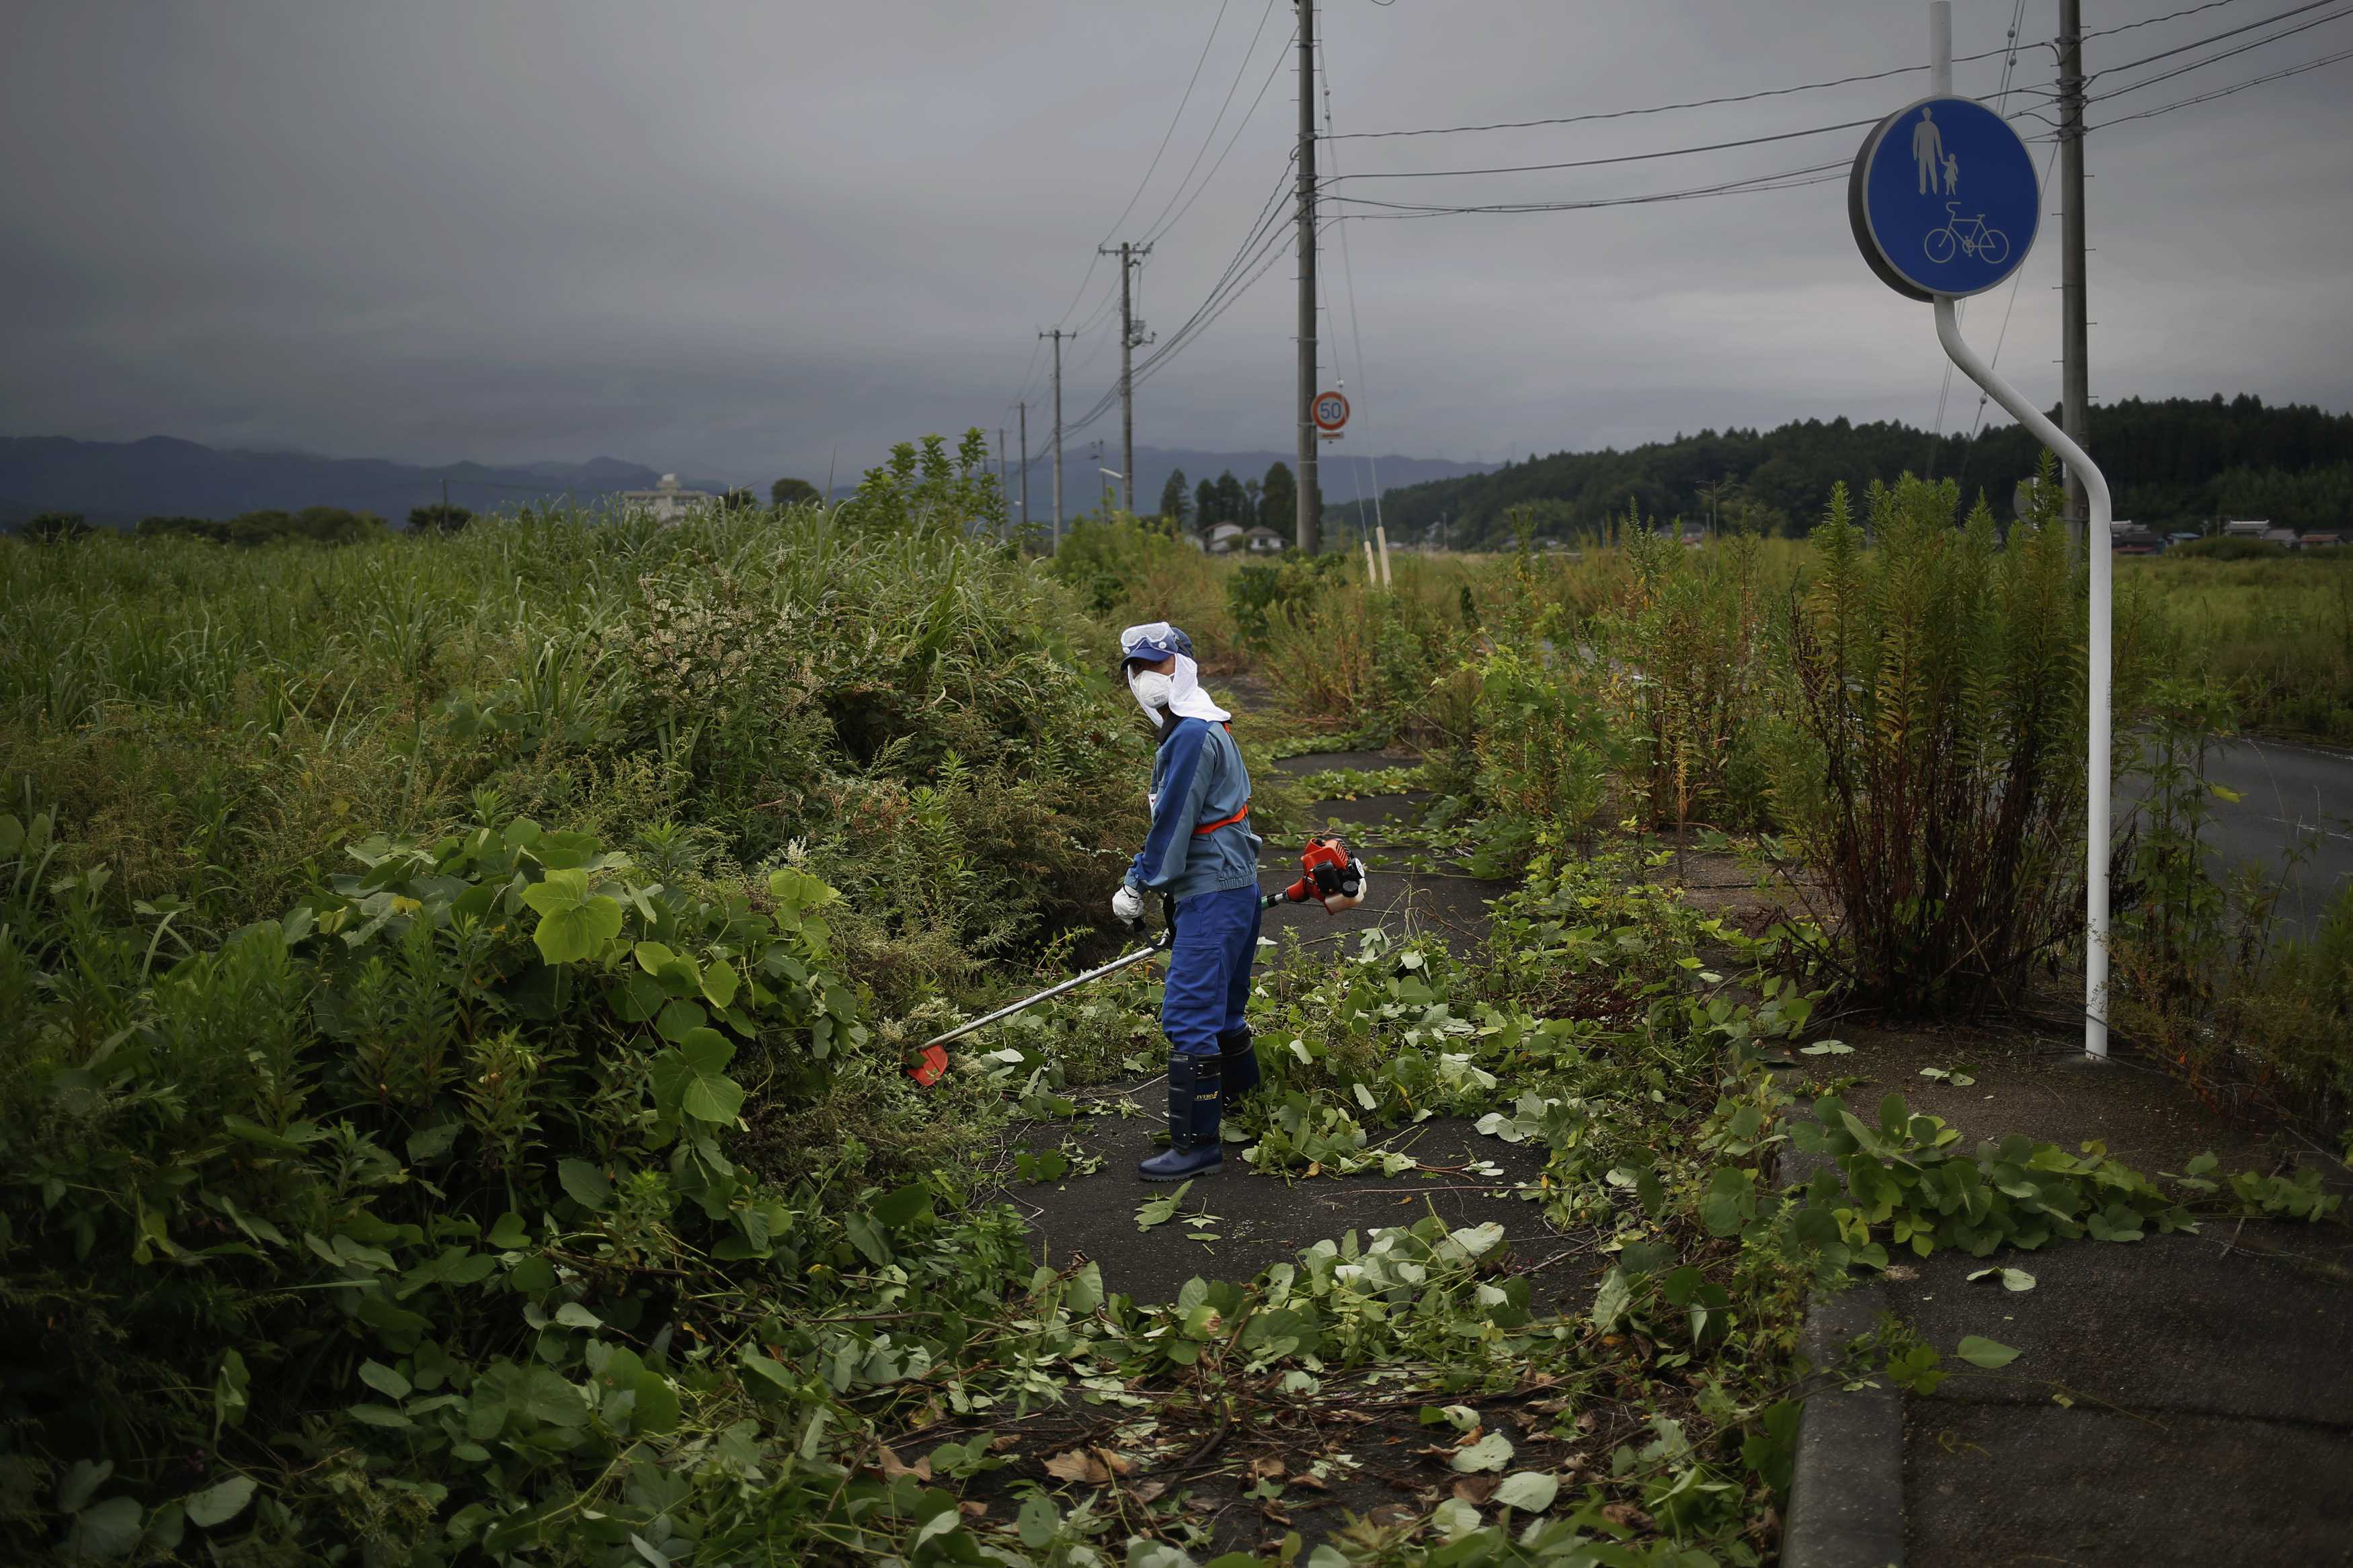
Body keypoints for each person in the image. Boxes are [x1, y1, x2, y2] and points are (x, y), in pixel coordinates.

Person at [1112, 622, 1264, 1180]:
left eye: (1158, 665)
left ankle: (1197, 1145)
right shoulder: (1205, 724)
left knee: (1189, 1014)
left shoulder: (1192, 734)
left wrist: (1137, 884)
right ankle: (1248, 1110)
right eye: (1137, 669)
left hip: (1211, 891)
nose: (1146, 678)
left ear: (1184, 667)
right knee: (1224, 1010)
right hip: (1233, 887)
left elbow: (1173, 828)